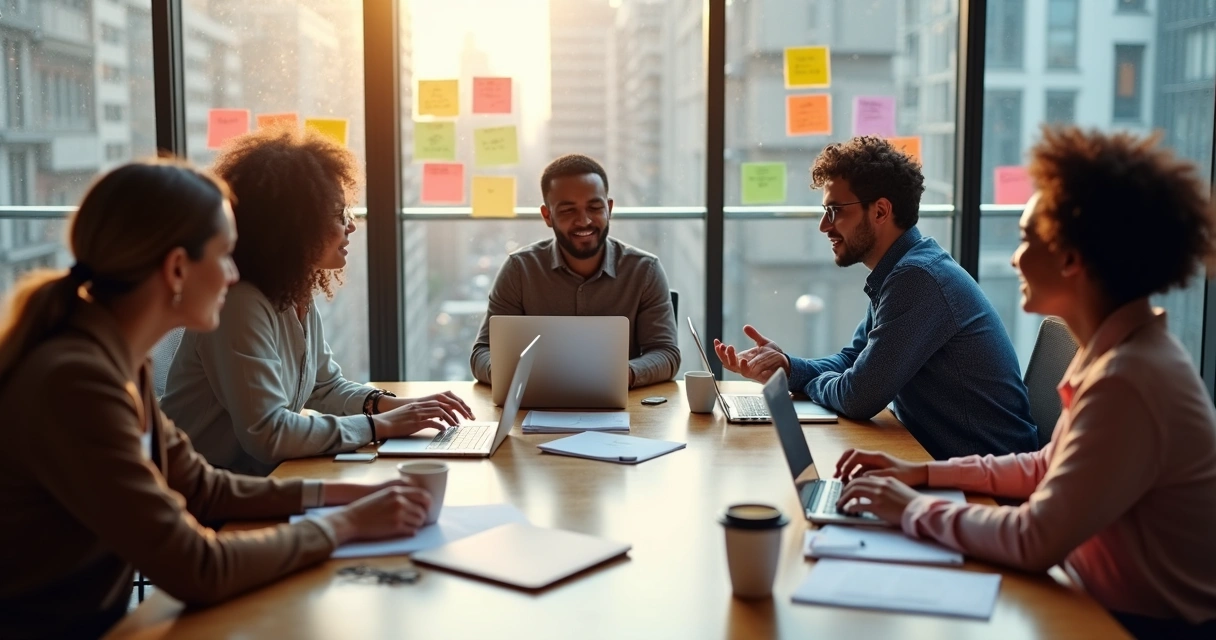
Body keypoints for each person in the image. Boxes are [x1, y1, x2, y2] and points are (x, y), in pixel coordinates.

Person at [0, 161, 434, 639]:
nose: (233, 275)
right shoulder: (77, 382)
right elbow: (199, 568)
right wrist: (344, 525)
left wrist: (344, 495)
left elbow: (204, 489)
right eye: (227, 255)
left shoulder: (118, 363)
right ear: (178, 269)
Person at [833, 128, 1216, 638]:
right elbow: (1045, 465)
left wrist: (910, 509)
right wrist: (921, 476)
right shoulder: (1119, 352)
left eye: (1026, 239)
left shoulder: (1130, 379)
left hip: (1134, 626)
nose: (1014, 258)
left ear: (1071, 259)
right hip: (1089, 597)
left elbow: (1035, 539)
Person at [161, 128, 473, 477]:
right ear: (295, 227)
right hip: (205, 493)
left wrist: (400, 408)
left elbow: (324, 386)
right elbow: (269, 434)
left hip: (256, 479)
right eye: (339, 215)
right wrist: (380, 425)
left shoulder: (292, 290)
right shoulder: (240, 304)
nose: (350, 227)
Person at [714, 136, 1037, 459]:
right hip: (940, 459)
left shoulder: (917, 278)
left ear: (881, 211)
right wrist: (786, 367)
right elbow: (853, 360)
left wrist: (811, 383)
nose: (824, 226)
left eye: (835, 210)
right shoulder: (902, 270)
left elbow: (858, 396)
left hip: (981, 481)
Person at [470, 153, 679, 388]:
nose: (584, 221)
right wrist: (515, 376)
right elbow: (482, 353)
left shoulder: (644, 270)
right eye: (568, 210)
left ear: (609, 208)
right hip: (536, 407)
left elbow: (666, 354)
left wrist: (622, 375)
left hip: (622, 411)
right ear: (547, 216)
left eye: (594, 207)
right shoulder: (520, 270)